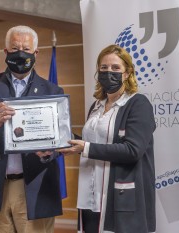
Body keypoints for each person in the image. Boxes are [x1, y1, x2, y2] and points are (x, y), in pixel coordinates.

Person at [0, 25, 64, 233]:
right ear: (5, 52)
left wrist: (51, 151)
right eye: (15, 48)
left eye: (26, 49)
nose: (20, 53)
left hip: (34, 185)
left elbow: (62, 135)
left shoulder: (52, 91)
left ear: (36, 53)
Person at [58, 44, 156, 233]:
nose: (108, 72)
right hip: (90, 196)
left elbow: (132, 150)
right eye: (103, 68)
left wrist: (85, 148)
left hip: (120, 199)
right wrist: (66, 139)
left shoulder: (137, 104)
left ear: (127, 73)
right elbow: (95, 142)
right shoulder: (96, 105)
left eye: (115, 68)